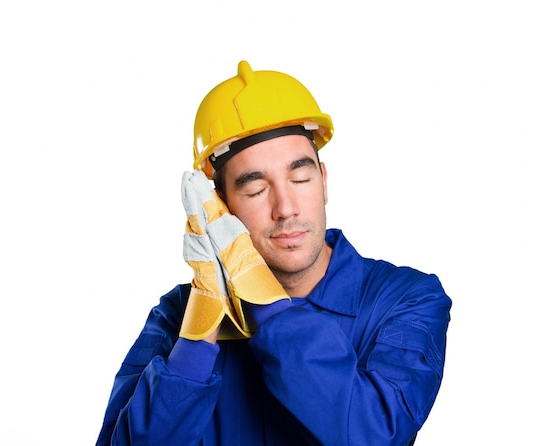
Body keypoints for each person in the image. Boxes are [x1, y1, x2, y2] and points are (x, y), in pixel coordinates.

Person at [95, 60, 452, 446]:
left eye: (300, 178)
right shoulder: (179, 317)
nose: (286, 207)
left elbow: (372, 435)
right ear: (220, 207)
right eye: (255, 190)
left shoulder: (405, 299)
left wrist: (259, 293)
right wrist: (199, 336)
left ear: (324, 181)